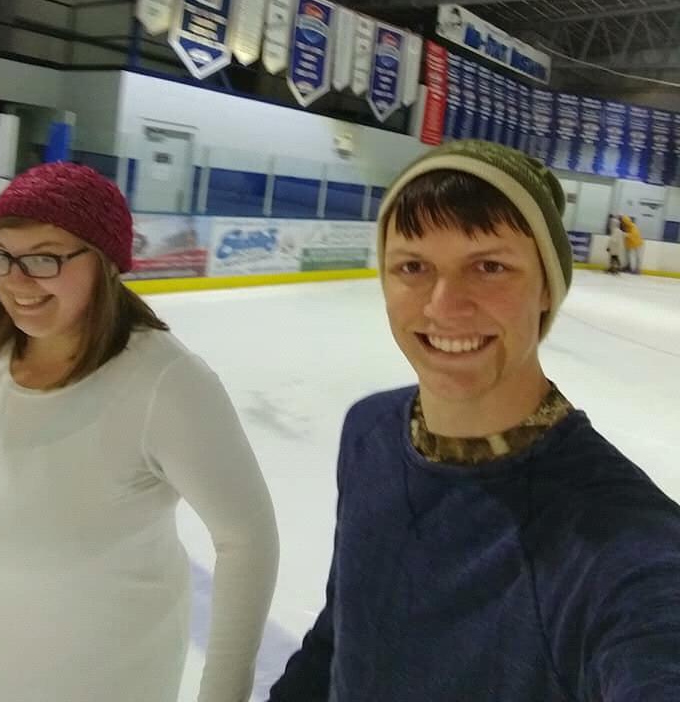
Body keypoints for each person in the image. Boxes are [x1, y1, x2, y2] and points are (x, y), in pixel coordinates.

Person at [267, 139, 680, 702]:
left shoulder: (628, 544)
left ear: (546, 289)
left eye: (489, 266)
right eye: (413, 266)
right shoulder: (368, 433)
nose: (443, 305)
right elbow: (341, 632)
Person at [0, 162, 279, 702]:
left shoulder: (165, 382)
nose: (15, 280)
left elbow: (246, 539)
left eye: (44, 257)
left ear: (107, 261)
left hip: (101, 676)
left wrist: (224, 693)